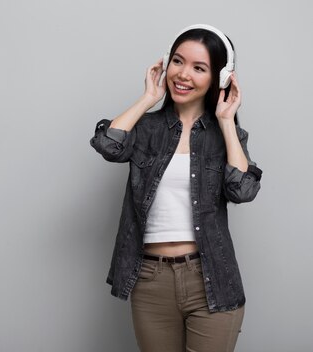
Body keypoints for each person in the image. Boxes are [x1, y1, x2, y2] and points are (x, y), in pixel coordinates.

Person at [89, 24, 262, 352]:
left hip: (210, 278)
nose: (183, 74)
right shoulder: (147, 128)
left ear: (220, 78)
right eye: (178, 62)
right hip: (150, 280)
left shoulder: (226, 137)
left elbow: (242, 191)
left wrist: (226, 121)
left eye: (199, 68)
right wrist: (148, 98)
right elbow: (108, 145)